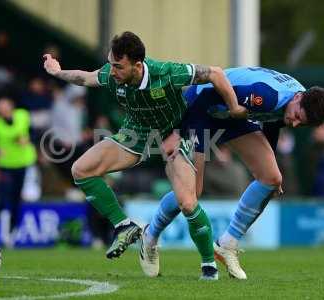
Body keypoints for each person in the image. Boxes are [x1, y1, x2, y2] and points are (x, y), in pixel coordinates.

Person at [44, 31, 246, 280]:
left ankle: (208, 265)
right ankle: (125, 226)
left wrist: (235, 107)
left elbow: (215, 73)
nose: (112, 70)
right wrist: (56, 71)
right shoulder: (112, 74)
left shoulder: (166, 72)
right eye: (110, 63)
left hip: (177, 131)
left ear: (138, 65)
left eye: (118, 66)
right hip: (137, 134)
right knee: (80, 170)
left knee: (188, 201)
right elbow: (85, 78)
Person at [139, 66, 324, 279]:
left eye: (300, 124)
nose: (294, 123)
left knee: (271, 177)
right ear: (298, 97)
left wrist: (267, 163)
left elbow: (273, 123)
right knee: (192, 190)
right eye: (296, 116)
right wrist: (181, 132)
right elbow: (207, 94)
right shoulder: (266, 95)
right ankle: (149, 237)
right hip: (200, 108)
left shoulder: (298, 100)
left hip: (231, 115)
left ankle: (227, 244)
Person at [0, 97, 37, 246]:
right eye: (0, 107)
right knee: (3, 198)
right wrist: (18, 138)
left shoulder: (23, 115)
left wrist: (28, 140)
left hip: (24, 163)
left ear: (12, 106)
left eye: (5, 106)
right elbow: (0, 137)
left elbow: (33, 132)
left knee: (17, 200)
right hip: (6, 165)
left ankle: (11, 233)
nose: (3, 110)